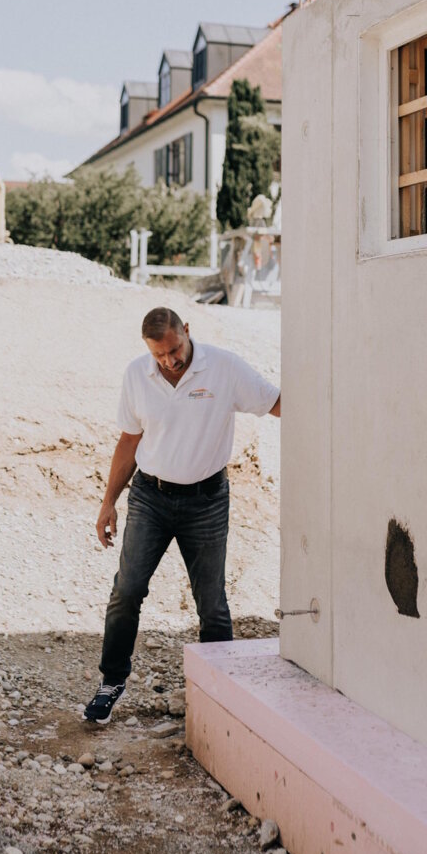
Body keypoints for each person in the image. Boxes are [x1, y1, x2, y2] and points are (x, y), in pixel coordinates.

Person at [83, 306, 280, 725]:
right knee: (127, 590)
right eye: (160, 356)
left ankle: (219, 698)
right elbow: (129, 441)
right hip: (149, 498)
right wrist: (108, 502)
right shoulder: (137, 375)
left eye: (174, 350)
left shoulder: (223, 367)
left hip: (207, 501)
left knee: (212, 605)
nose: (170, 361)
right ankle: (111, 681)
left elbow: (275, 402)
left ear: (186, 331)